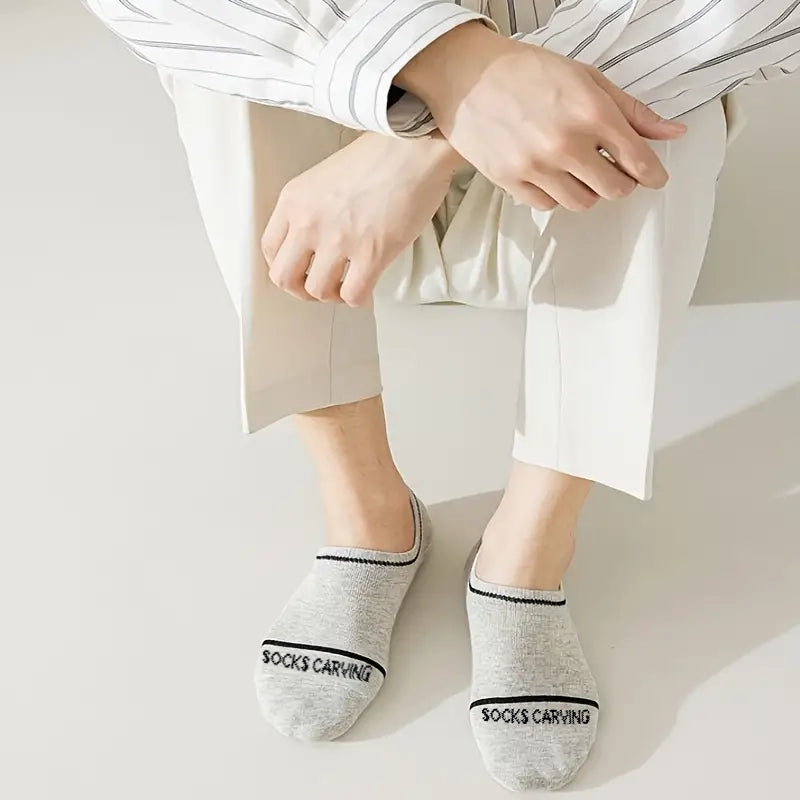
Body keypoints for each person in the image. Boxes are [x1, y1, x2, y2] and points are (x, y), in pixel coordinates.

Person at [83, 0, 798, 791]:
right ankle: (369, 519)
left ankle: (526, 558)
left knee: (667, 75)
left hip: (558, 198)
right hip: (345, 226)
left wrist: (433, 141)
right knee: (226, 70)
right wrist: (445, 67)